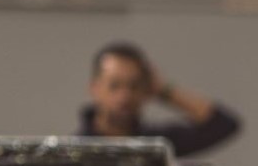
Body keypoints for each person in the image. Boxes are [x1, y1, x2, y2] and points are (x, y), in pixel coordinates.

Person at [79, 42, 242, 157]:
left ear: (146, 89)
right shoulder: (74, 151)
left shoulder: (158, 148)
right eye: (114, 86)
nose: (125, 96)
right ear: (95, 88)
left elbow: (222, 124)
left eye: (134, 86)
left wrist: (164, 91)